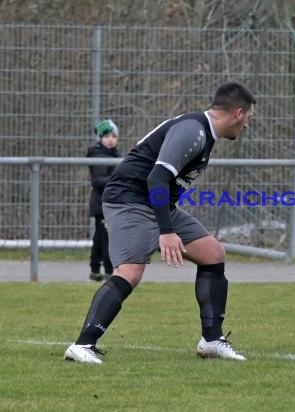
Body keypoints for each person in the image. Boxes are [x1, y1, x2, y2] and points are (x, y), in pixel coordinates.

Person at [64, 82, 255, 363]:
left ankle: (212, 341)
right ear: (238, 113)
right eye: (248, 118)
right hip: (130, 199)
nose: (247, 126)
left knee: (212, 253)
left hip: (155, 202)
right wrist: (166, 232)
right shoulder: (194, 131)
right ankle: (83, 345)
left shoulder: (205, 133)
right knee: (130, 271)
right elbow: (156, 178)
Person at [87, 119, 121, 282]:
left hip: (111, 202)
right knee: (108, 239)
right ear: (100, 137)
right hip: (102, 204)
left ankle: (94, 269)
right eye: (107, 136)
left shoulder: (115, 154)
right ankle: (109, 270)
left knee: (100, 238)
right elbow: (98, 180)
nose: (111, 139)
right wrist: (119, 180)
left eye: (114, 136)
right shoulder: (98, 154)